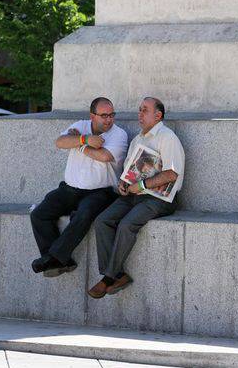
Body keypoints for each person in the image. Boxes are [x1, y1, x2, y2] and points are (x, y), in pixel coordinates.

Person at [88, 97, 185, 298]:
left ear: (158, 115)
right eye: (139, 110)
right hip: (134, 195)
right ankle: (119, 275)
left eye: (145, 110)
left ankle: (108, 278)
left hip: (159, 199)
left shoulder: (167, 137)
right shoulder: (137, 140)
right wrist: (123, 185)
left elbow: (171, 174)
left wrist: (140, 185)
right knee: (102, 221)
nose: (139, 114)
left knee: (126, 224)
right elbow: (128, 172)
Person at [29, 97, 128, 278]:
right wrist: (84, 139)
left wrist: (78, 145)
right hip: (69, 189)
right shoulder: (81, 126)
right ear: (92, 116)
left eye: (111, 115)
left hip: (101, 192)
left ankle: (52, 258)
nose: (108, 119)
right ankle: (59, 261)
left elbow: (105, 156)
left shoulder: (118, 134)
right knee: (39, 214)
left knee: (83, 214)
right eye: (104, 115)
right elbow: (60, 142)